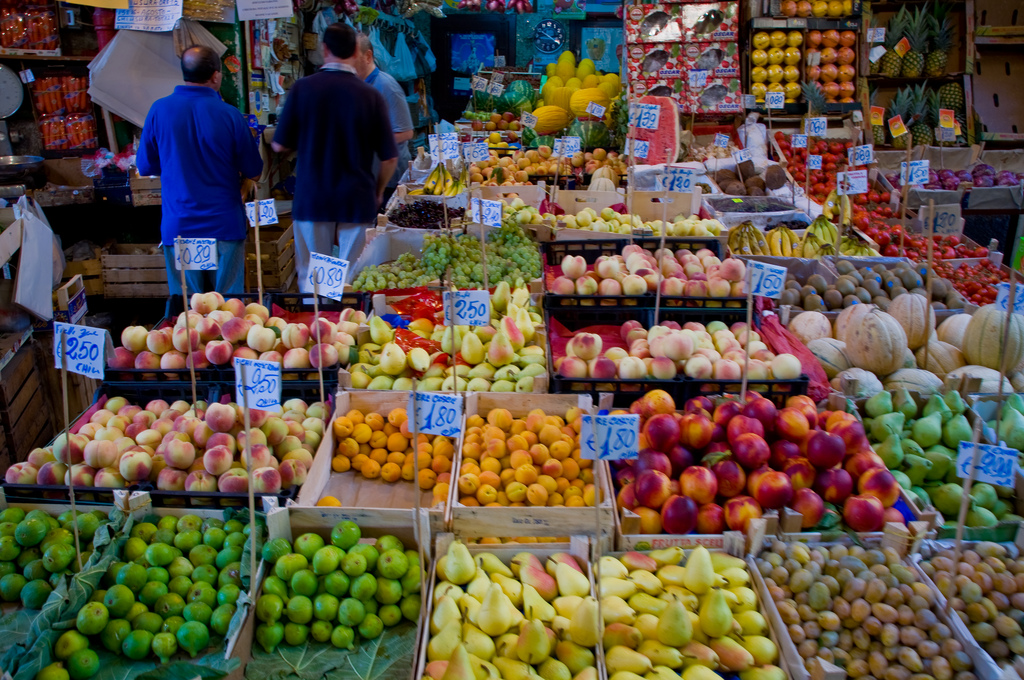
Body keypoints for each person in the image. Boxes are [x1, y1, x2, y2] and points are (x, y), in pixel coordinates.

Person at [272, 23, 398, 293]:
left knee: (314, 280)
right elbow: (389, 158)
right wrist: (376, 191)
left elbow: (279, 145)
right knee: (349, 278)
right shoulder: (371, 96)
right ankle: (346, 326)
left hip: (313, 198)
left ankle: (319, 326)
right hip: (356, 198)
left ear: (324, 49)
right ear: (355, 50)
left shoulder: (302, 90)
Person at [136, 45, 263, 300]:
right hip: (224, 227)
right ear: (216, 76)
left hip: (181, 226)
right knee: (230, 314)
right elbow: (255, 171)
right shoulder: (230, 115)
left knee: (188, 318)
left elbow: (146, 166)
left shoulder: (159, 111)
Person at [355, 32, 413, 199]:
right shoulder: (355, 86)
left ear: (368, 56)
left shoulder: (387, 87)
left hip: (388, 179)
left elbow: (407, 132)